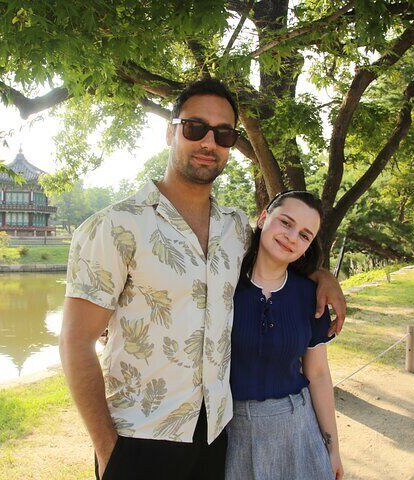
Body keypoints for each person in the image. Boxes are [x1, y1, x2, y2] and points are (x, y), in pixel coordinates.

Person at [60, 78, 346, 480]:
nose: (209, 142)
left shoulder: (235, 229)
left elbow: (281, 251)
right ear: (170, 131)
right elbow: (75, 343)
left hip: (217, 436)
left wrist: (322, 275)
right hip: (140, 437)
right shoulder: (115, 226)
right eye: (195, 128)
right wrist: (108, 451)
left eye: (223, 133)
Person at [226, 190, 343, 480]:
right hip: (232, 433)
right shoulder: (224, 285)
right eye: (286, 223)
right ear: (263, 217)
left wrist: (333, 447)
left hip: (298, 428)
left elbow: (318, 374)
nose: (292, 237)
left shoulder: (311, 296)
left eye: (305, 235)